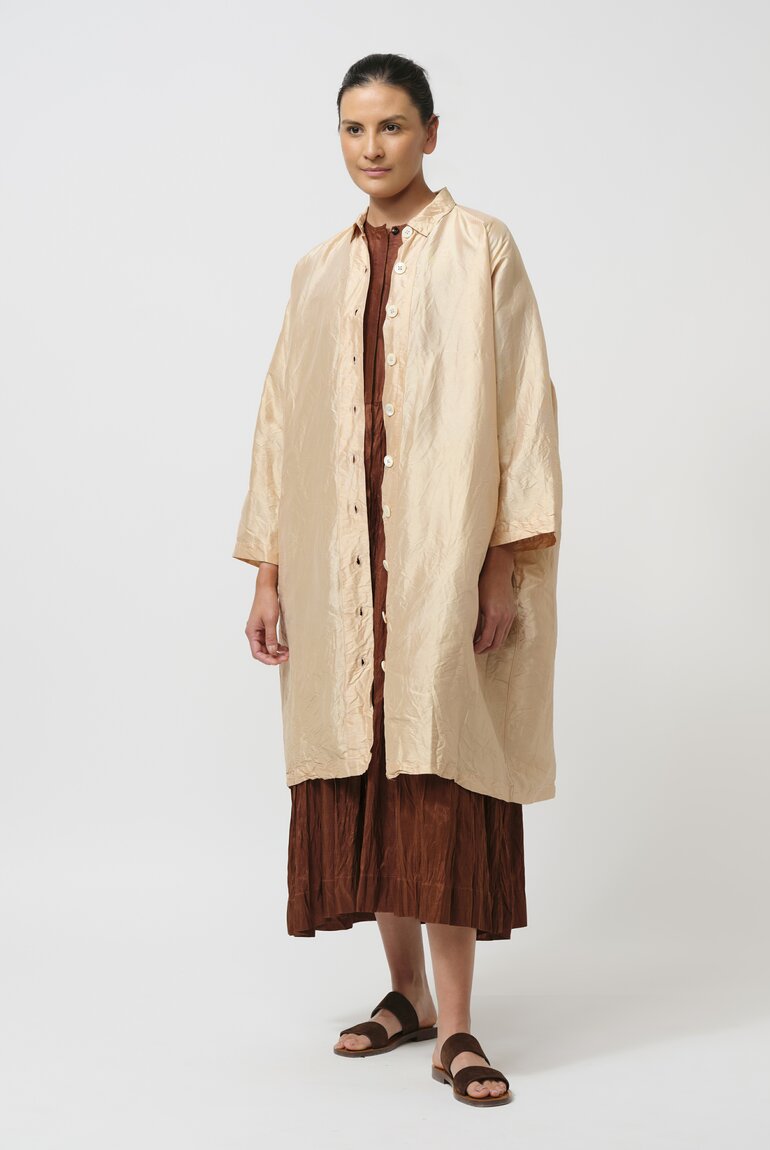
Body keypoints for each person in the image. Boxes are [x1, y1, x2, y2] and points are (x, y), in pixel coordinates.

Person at [233, 53, 563, 1107]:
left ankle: (457, 1028)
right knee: (370, 772)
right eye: (352, 128)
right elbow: (280, 425)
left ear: (429, 131)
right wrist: (270, 573)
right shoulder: (316, 269)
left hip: (439, 557)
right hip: (335, 564)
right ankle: (405, 994)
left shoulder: (482, 248)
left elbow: (522, 409)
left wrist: (499, 563)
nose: (370, 148)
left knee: (438, 776)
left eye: (389, 126)